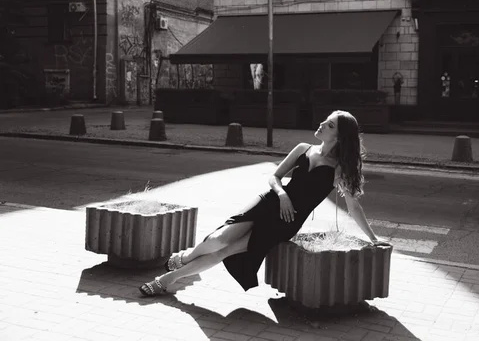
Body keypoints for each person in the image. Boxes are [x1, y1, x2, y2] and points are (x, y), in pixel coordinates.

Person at [139, 110, 383, 296]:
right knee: (218, 240)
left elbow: (353, 207)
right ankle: (185, 256)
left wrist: (374, 239)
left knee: (227, 250)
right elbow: (274, 176)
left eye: (329, 125)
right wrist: (283, 195)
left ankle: (168, 280)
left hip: (285, 222)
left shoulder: (339, 169)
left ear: (339, 137)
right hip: (270, 202)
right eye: (325, 120)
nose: (321, 124)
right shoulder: (303, 148)